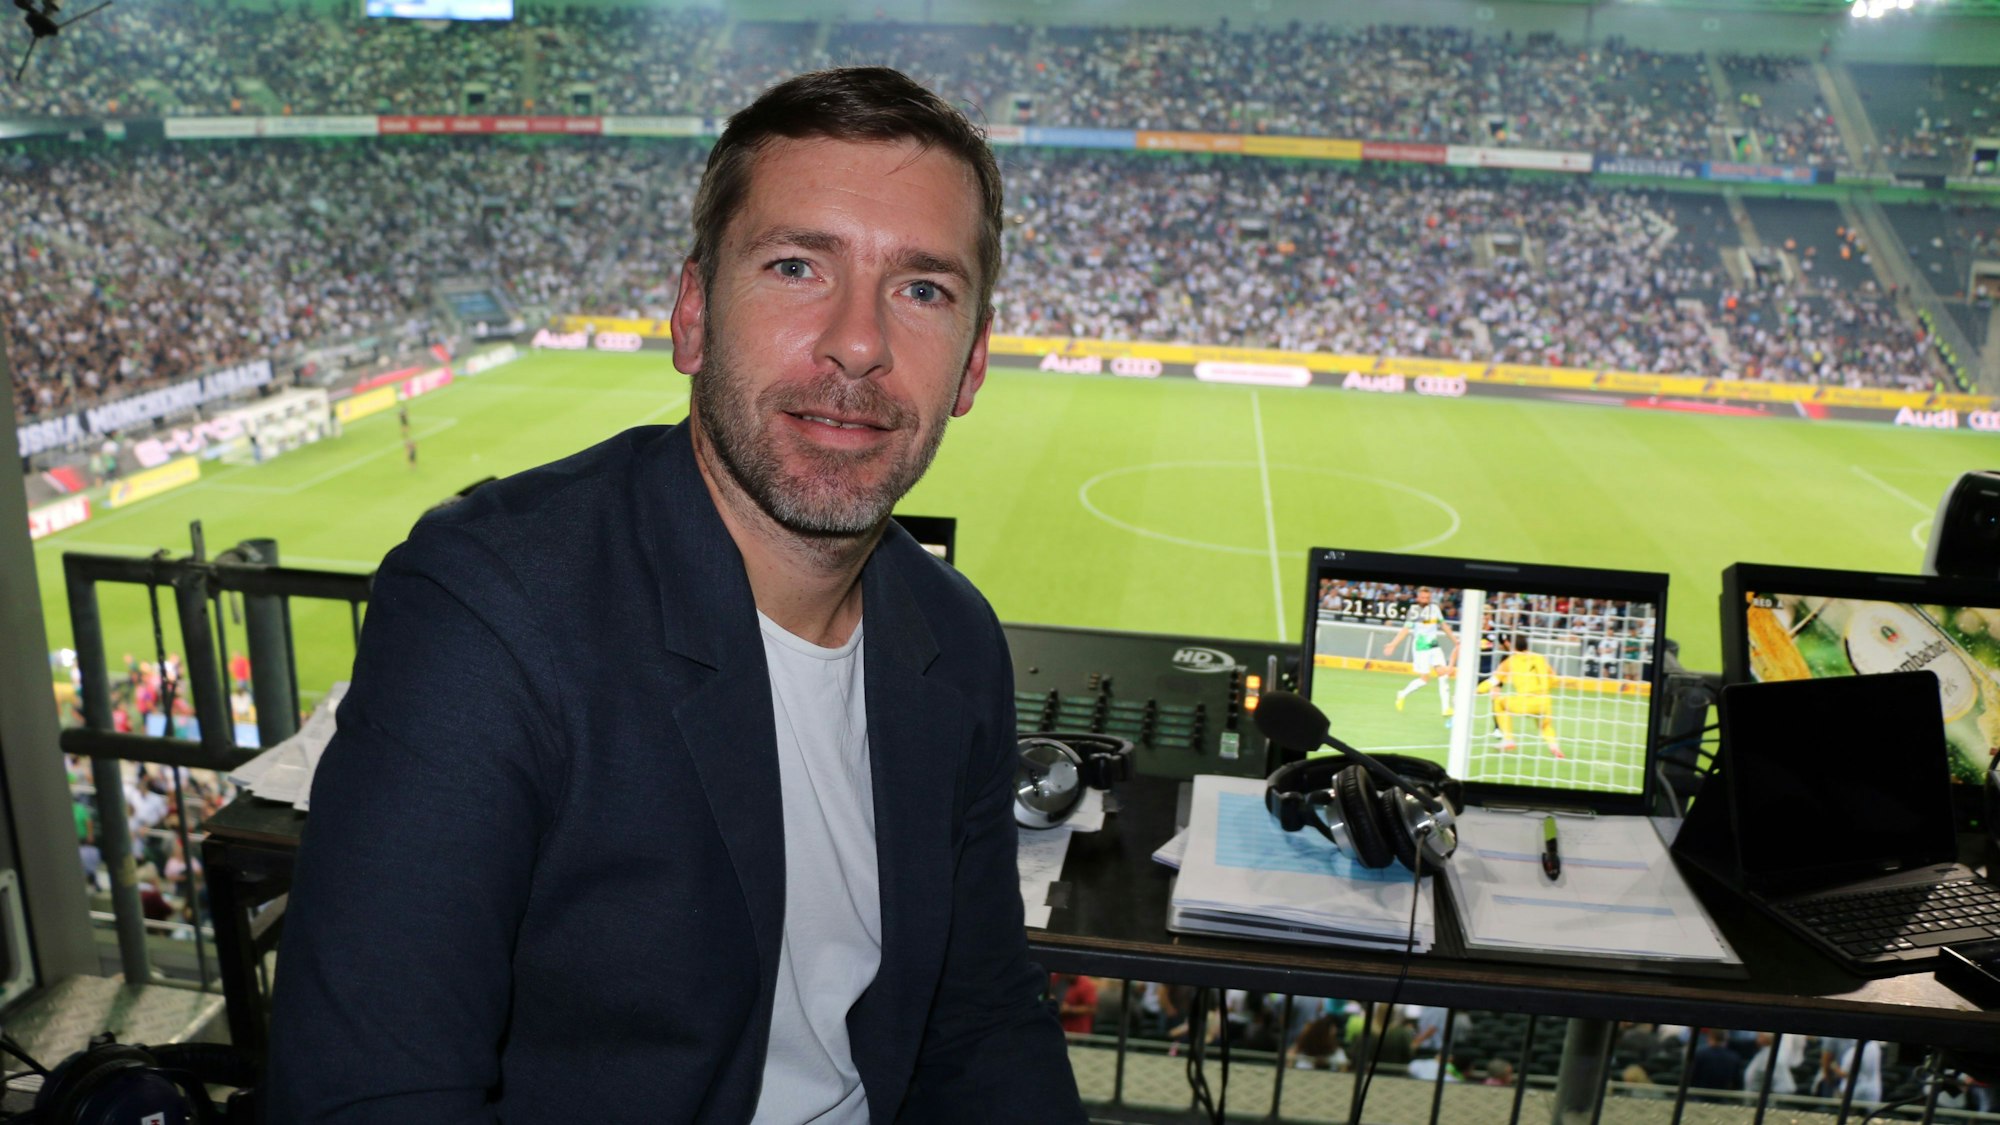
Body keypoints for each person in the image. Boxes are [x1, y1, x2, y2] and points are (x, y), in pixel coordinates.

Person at [265, 67, 1085, 1123]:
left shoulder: (954, 638)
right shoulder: (488, 614)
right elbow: (371, 1095)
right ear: (692, 316)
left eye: (921, 289)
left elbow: (975, 1017)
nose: (859, 342)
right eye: (796, 266)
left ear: (971, 365)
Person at [1484, 634, 1565, 759]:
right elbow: (1553, 678)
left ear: (1511, 645)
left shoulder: (1510, 661)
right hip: (1544, 701)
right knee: (1545, 726)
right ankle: (1554, 746)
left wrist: (1475, 691)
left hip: (1526, 701)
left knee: (1498, 702)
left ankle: (1508, 739)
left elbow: (1492, 681)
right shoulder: (1540, 658)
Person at [1385, 587, 1457, 716]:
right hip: (1420, 648)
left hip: (1434, 646)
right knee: (1425, 679)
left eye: (1428, 598)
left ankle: (1446, 708)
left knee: (1443, 674)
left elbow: (1444, 625)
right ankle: (1402, 694)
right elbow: (1405, 630)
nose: (1425, 600)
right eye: (1423, 598)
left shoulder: (1435, 609)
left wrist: (1455, 641)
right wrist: (1393, 644)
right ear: (1418, 598)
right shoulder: (1413, 611)